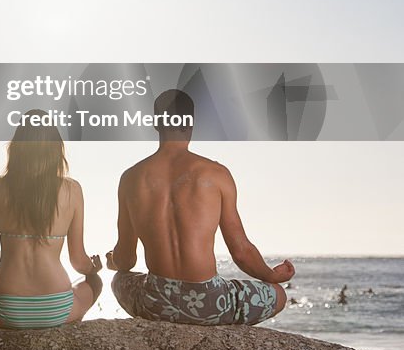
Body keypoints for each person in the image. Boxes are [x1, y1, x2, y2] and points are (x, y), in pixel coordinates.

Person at [106, 89, 295, 326]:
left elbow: (126, 260)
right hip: (208, 304)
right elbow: (241, 251)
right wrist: (271, 275)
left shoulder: (130, 178)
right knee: (279, 294)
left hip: (156, 303)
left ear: (156, 123)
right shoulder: (216, 174)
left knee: (118, 280)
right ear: (191, 123)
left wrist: (112, 261)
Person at [0, 110, 103, 329]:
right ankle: (66, 320)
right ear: (56, 149)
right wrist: (93, 269)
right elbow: (78, 262)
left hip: (8, 310)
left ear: (16, 147)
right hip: (57, 308)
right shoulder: (72, 190)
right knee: (95, 283)